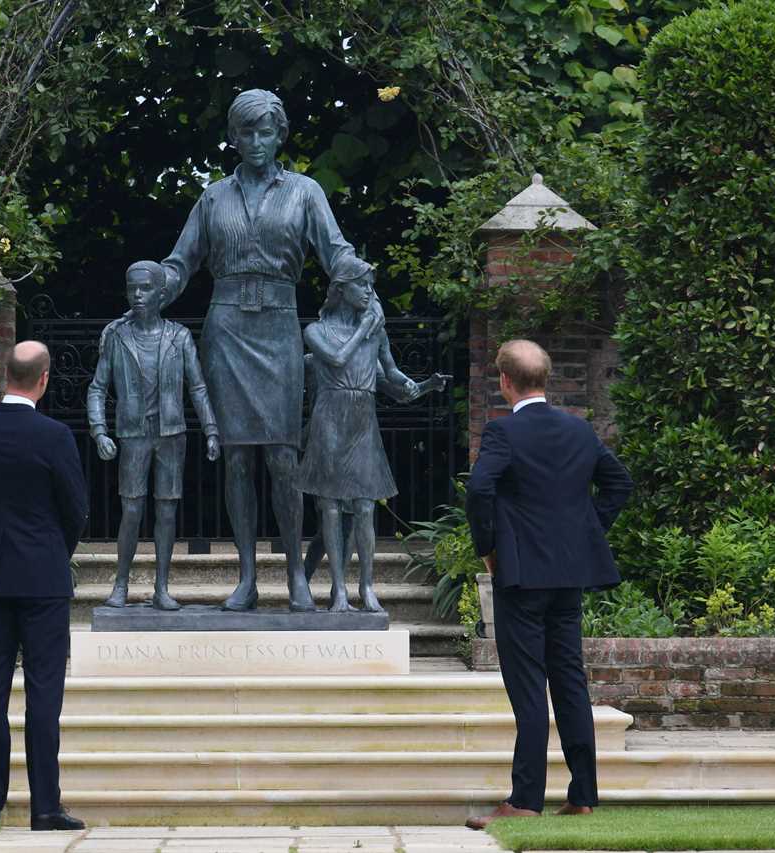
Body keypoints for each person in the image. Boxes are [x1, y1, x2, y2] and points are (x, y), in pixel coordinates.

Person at [160, 88, 374, 612]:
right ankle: (247, 576)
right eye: (246, 132)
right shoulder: (213, 198)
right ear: (234, 137)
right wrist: (150, 289)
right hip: (227, 329)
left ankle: (296, 576)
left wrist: (363, 286)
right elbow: (180, 262)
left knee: (282, 456)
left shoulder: (304, 192)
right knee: (236, 459)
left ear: (280, 135)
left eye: (266, 132)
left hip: (279, 327)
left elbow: (335, 250)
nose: (256, 142)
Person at [463, 339, 633, 830]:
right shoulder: (578, 430)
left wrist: (489, 548)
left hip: (521, 577)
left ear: (505, 382)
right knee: (569, 679)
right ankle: (582, 794)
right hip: (569, 576)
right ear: (547, 378)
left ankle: (524, 799)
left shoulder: (503, 432)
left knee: (528, 687)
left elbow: (479, 489)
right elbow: (618, 484)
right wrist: (585, 532)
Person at [0, 340, 88, 832]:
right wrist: (54, 549)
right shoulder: (54, 435)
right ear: (44, 379)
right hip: (43, 577)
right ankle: (45, 807)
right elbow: (76, 508)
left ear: (4, 375)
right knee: (44, 693)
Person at [294, 258, 444, 611]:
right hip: (329, 419)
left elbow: (393, 377)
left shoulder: (375, 332)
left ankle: (366, 587)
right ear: (341, 288)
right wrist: (364, 329)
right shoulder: (317, 331)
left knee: (364, 507)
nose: (369, 292)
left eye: (371, 286)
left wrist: (422, 386)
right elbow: (335, 359)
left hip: (362, 420)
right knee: (330, 508)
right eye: (362, 285)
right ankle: (339, 591)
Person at [87, 260, 221, 610]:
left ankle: (162, 587)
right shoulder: (117, 337)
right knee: (131, 511)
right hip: (133, 435)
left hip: (171, 434)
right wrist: (99, 430)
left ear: (162, 294)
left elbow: (198, 387)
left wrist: (210, 429)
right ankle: (121, 584)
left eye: (145, 288)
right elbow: (97, 389)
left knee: (166, 512)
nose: (138, 295)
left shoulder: (178, 337)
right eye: (132, 288)